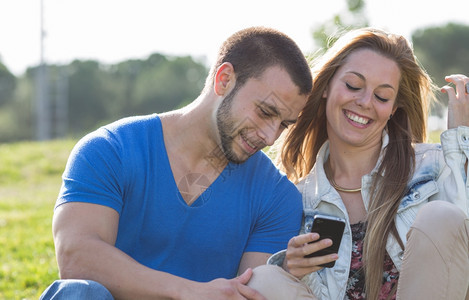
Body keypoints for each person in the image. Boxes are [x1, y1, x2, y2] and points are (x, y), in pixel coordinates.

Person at [39, 26, 313, 299]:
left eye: (283, 125)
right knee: (77, 292)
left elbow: (250, 292)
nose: (270, 136)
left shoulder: (277, 198)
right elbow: (77, 259)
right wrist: (187, 292)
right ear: (225, 79)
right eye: (265, 112)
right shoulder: (110, 150)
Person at [247, 27, 469, 300]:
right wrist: (292, 270)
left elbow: (459, 248)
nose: (364, 102)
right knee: (263, 277)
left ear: (393, 108)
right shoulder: (296, 199)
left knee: (441, 216)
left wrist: (461, 147)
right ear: (327, 86)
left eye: (382, 96)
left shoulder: (435, 165)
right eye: (353, 85)